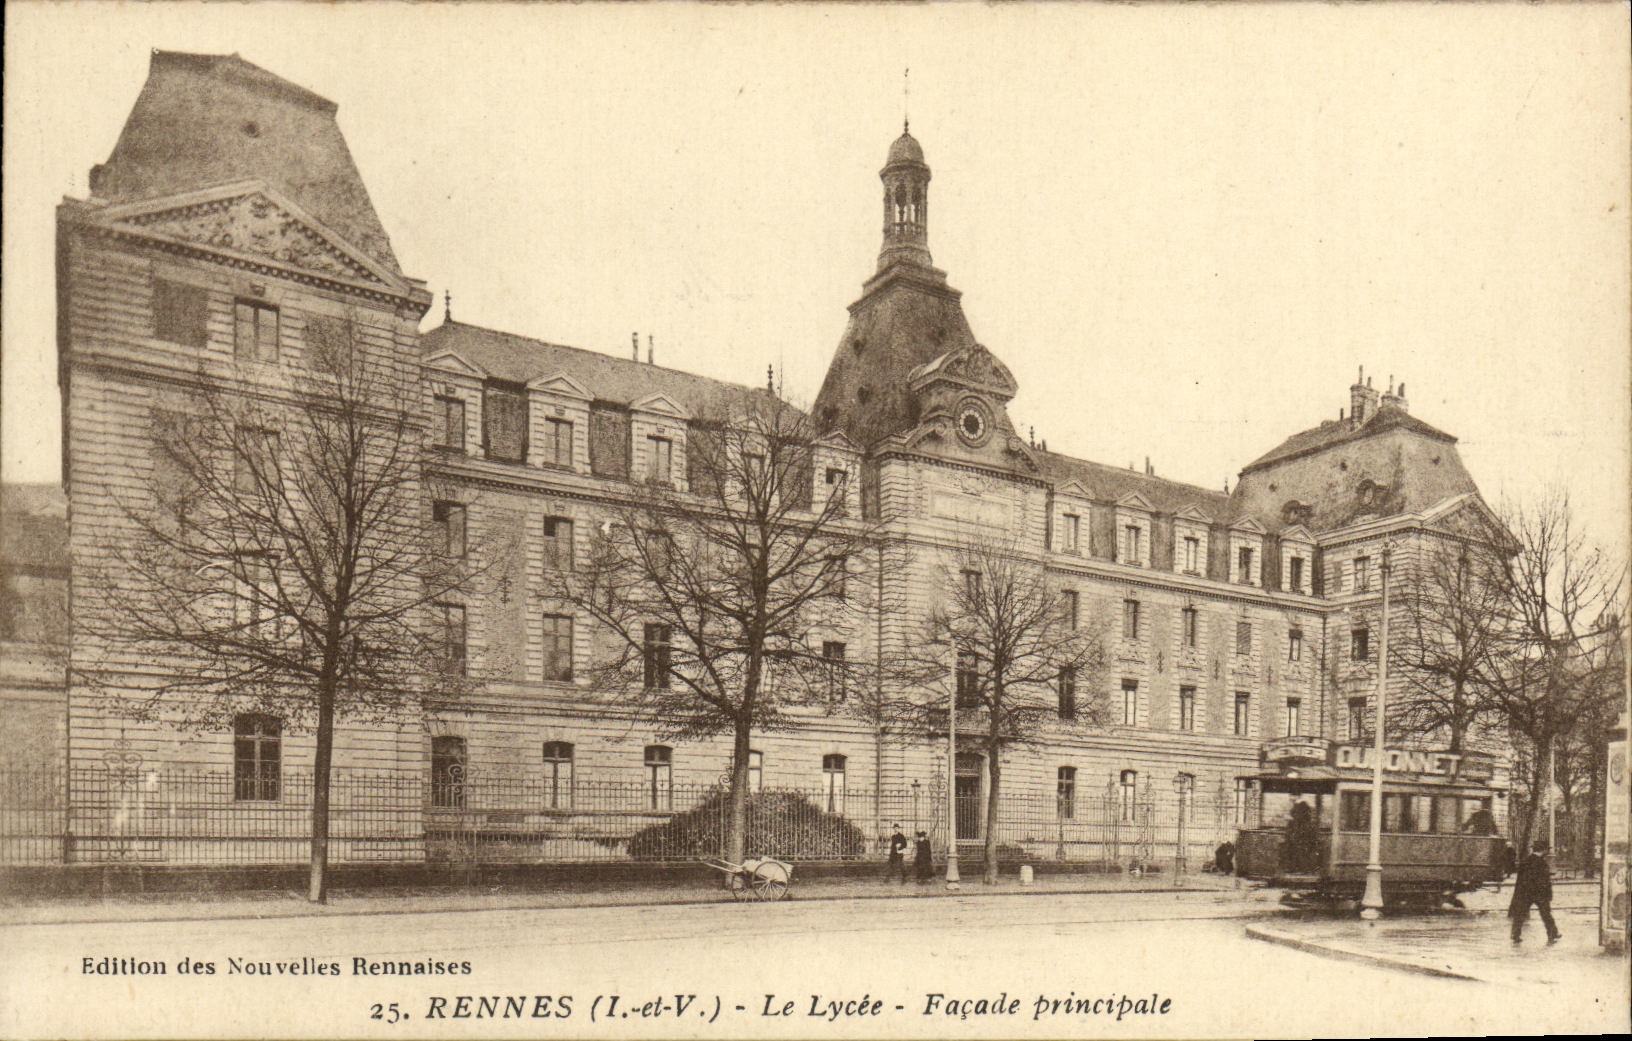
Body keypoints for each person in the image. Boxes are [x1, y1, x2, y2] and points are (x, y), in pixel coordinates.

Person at [1509, 841, 1560, 944]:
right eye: (1547, 849)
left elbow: (1520, 879)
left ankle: (1515, 934)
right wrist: (1548, 894)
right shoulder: (1542, 863)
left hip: (1525, 893)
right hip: (1540, 893)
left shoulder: (1526, 861)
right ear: (1543, 850)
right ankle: (1552, 934)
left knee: (1520, 914)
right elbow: (1545, 881)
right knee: (1546, 914)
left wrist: (1519, 894)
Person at [1283, 799, 1319, 874]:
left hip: (1299, 840)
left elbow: (1290, 833)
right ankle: (1304, 869)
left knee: (1298, 851)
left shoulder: (1295, 820)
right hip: (1304, 841)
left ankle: (1296, 869)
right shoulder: (1307, 821)